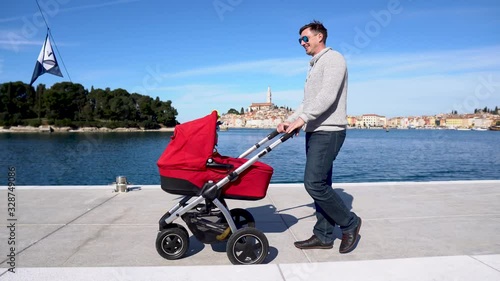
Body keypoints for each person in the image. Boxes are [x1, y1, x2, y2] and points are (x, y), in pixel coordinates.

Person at [277, 20, 361, 254]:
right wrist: (290, 119)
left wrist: (301, 121)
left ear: (319, 37)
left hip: (329, 130)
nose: (302, 43)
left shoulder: (334, 59)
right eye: (300, 40)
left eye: (305, 38)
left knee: (313, 183)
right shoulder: (314, 65)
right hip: (315, 130)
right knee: (322, 183)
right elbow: (308, 102)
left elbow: (327, 97)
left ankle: (350, 223)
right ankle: (323, 235)